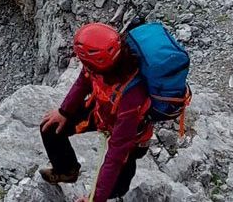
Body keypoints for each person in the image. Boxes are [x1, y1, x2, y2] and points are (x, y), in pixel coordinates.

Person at [39, 22, 153, 202]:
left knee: (116, 184)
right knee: (50, 128)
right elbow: (83, 81)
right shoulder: (103, 64)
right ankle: (66, 171)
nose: (83, 66)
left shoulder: (132, 96)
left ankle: (112, 196)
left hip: (132, 138)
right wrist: (64, 111)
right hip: (103, 112)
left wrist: (96, 198)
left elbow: (116, 154)